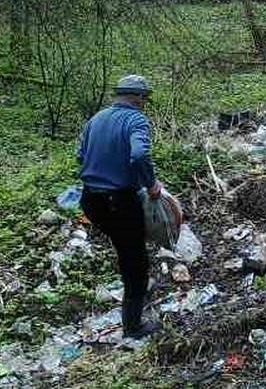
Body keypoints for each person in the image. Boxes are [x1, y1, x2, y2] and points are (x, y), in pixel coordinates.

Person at [77, 75, 163, 339]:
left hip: (91, 201)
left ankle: (131, 295)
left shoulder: (96, 119)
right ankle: (134, 326)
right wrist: (150, 184)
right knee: (135, 262)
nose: (144, 103)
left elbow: (80, 155)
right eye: (144, 98)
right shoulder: (135, 119)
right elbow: (139, 154)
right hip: (119, 202)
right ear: (137, 98)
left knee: (126, 249)